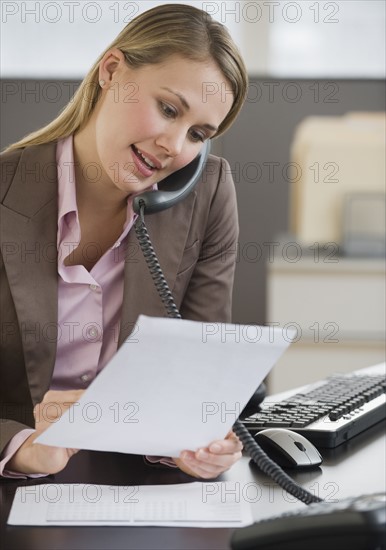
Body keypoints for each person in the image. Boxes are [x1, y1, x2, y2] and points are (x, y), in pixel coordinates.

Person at [0, 3, 248, 479]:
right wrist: (23, 446)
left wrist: (198, 440)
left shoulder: (208, 192)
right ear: (111, 71)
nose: (175, 146)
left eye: (198, 133)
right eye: (169, 109)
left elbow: (199, 373)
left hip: (138, 484)